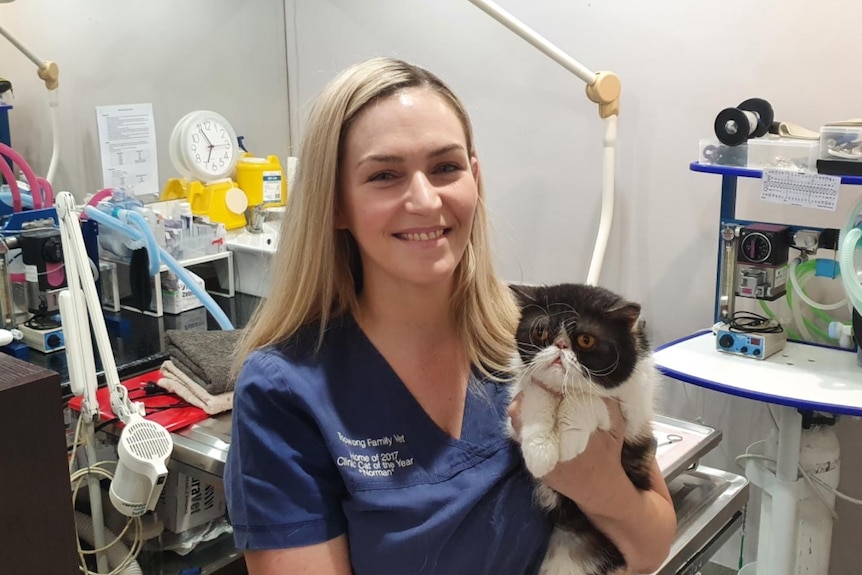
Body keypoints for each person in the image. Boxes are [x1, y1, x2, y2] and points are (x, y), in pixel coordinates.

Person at [224, 56, 676, 575]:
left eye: (445, 168)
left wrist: (604, 491)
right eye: (385, 175)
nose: (424, 199)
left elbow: (652, 543)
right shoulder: (286, 391)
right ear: (335, 204)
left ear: (475, 180)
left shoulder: (532, 340)